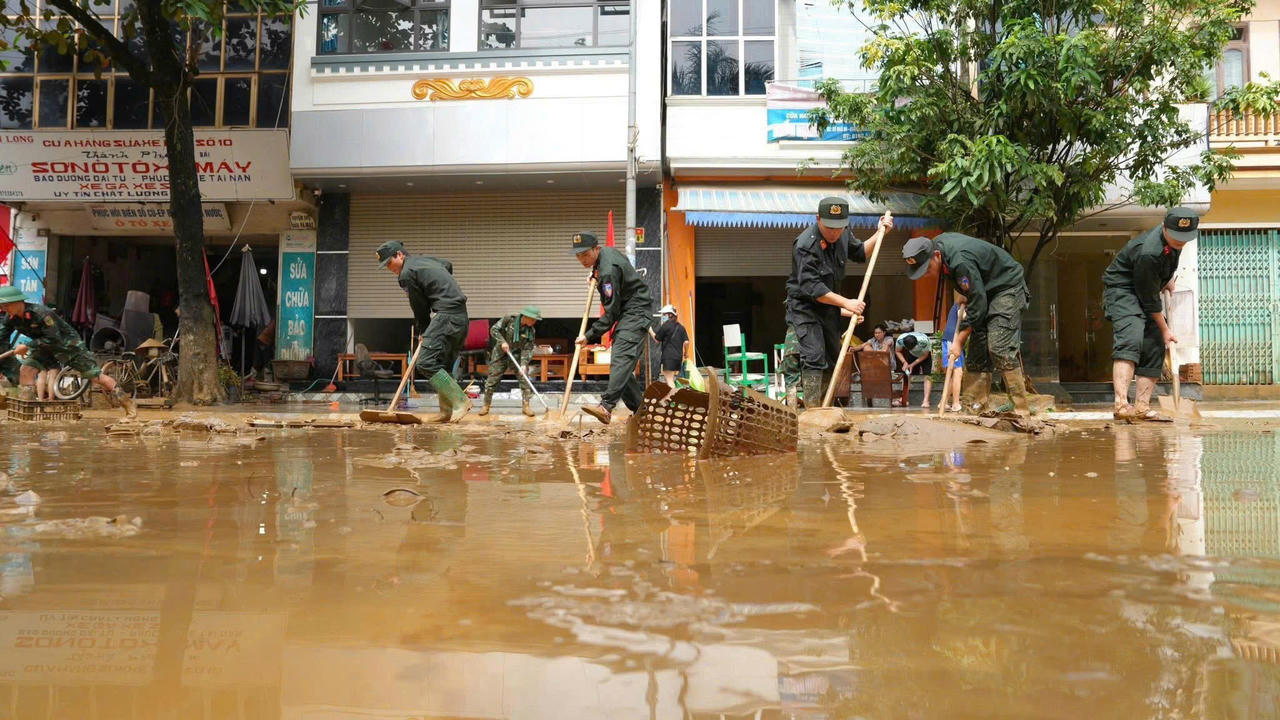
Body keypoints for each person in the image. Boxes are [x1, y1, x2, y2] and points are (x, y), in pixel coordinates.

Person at [901, 232, 1033, 415]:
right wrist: (966, 292)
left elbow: (978, 303)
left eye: (927, 268)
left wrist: (959, 341)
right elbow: (973, 288)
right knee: (978, 351)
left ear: (936, 255)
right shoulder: (937, 247)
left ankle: (1020, 410)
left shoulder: (959, 261)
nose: (927, 274)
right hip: (984, 290)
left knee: (999, 347)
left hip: (1006, 287)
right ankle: (975, 410)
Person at [785, 197, 893, 408]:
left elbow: (861, 252)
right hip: (805, 308)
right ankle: (812, 410)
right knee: (814, 355)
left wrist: (881, 232)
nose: (834, 232)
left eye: (839, 227)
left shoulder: (843, 234)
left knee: (833, 358)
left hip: (829, 308)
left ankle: (825, 408)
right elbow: (813, 289)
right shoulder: (805, 245)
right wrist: (847, 303)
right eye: (829, 227)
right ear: (818, 219)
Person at [1102, 207, 1196, 422]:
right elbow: (1149, 299)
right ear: (1164, 228)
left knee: (1154, 343)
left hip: (1145, 287)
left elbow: (1164, 267)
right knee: (1132, 338)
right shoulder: (1149, 251)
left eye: (1185, 238)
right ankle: (1121, 406)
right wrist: (1165, 329)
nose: (1180, 241)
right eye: (1176, 236)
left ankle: (1142, 407)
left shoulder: (1175, 242)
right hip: (1123, 290)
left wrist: (1167, 279)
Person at [0, 286, 134, 415]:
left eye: (6, 305)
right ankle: (28, 413)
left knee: (96, 377)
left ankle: (129, 406)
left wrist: (27, 346)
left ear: (19, 302)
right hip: (43, 348)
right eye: (2, 306)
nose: (4, 309)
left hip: (68, 346)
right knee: (26, 371)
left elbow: (53, 337)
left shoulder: (41, 313)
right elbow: (2, 336)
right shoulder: (10, 318)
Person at [376, 241, 471, 423]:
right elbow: (447, 265)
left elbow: (419, 306)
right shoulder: (424, 261)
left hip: (446, 317)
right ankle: (446, 412)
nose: (389, 268)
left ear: (400, 254)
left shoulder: (406, 274)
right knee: (442, 365)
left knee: (425, 363)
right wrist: (441, 290)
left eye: (389, 262)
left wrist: (424, 329)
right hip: (460, 317)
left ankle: (460, 401)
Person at [572, 232, 653, 425]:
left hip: (635, 313)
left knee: (620, 360)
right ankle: (641, 413)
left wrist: (589, 335)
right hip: (630, 312)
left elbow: (611, 313)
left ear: (596, 249)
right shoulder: (605, 257)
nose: (582, 259)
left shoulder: (607, 271)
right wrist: (595, 274)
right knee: (621, 365)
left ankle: (606, 407)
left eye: (585, 254)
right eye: (578, 256)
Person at [478, 305, 542, 417]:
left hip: (517, 355)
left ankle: (526, 406)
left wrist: (523, 364)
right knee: (492, 380)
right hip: (501, 353)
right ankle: (486, 405)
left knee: (524, 379)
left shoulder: (530, 331)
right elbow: (494, 329)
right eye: (533, 319)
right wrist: (502, 341)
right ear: (526, 317)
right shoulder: (509, 320)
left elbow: (528, 348)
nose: (534, 322)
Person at [936, 299, 966, 412]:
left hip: (956, 339)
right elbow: (961, 315)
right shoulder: (961, 303)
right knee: (958, 371)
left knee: (954, 373)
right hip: (952, 339)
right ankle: (955, 403)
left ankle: (943, 402)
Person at [649, 304, 689, 389]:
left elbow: (657, 339)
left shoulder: (666, 326)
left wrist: (650, 330)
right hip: (678, 358)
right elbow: (686, 342)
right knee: (672, 379)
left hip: (668, 357)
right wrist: (686, 353)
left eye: (664, 314)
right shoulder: (681, 327)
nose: (663, 316)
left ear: (670, 315)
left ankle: (674, 396)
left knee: (669, 380)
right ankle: (673, 395)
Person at [895, 329, 934, 409]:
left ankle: (926, 400)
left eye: (912, 348)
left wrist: (912, 364)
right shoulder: (900, 340)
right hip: (912, 355)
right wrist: (904, 362)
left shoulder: (924, 341)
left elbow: (925, 355)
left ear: (916, 343)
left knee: (927, 376)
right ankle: (904, 398)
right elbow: (898, 351)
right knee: (907, 374)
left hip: (924, 355)